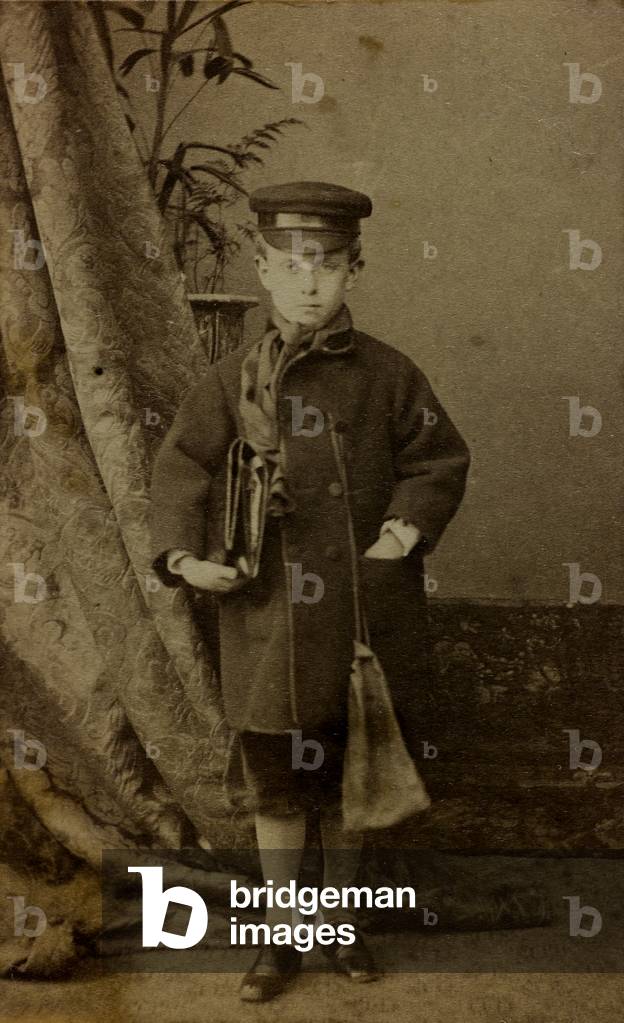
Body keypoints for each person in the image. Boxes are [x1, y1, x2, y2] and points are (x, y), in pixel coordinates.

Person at [149, 180, 470, 1001]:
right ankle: (283, 933)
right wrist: (187, 559)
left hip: (361, 617)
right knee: (279, 784)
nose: (308, 282)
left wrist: (400, 534)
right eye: (289, 265)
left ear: (354, 268)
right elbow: (182, 468)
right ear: (261, 269)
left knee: (349, 777)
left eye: (326, 264)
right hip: (268, 623)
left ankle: (341, 922)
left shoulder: (389, 374)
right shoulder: (231, 379)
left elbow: (437, 460)